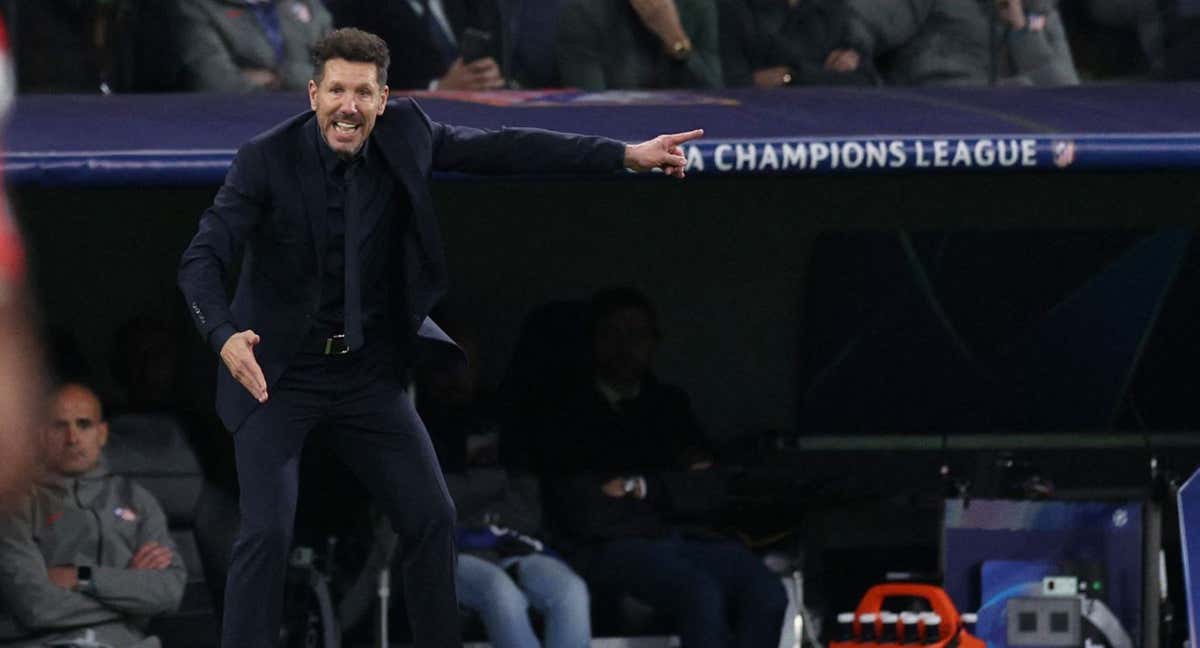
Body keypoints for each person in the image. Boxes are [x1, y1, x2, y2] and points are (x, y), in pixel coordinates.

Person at [176, 27, 701, 648]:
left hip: (365, 373)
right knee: (265, 531)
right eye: (337, 90)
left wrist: (624, 154)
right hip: (276, 373)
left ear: (383, 97)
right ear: (314, 94)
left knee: (433, 517)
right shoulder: (265, 159)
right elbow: (202, 258)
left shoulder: (408, 134)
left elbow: (510, 148)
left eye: (364, 93)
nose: (350, 105)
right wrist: (225, 335)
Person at [541, 288, 787, 648]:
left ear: (654, 342)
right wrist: (672, 490)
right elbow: (582, 507)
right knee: (700, 593)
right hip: (609, 547)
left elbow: (711, 489)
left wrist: (639, 487)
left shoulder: (668, 405)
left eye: (637, 335)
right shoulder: (566, 410)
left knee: (768, 593)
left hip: (683, 538)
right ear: (593, 340)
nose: (625, 346)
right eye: (612, 334)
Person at [419, 318, 590, 648]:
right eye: (442, 363)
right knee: (501, 592)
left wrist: (476, 503)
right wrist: (488, 488)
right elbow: (426, 506)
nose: (454, 374)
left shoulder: (498, 417)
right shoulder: (409, 416)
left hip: (508, 545)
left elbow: (527, 503)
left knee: (570, 592)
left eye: (463, 362)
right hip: (444, 554)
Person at [0, 384, 186, 648]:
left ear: (102, 433)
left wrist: (82, 577)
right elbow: (35, 606)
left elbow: (169, 592)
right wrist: (133, 600)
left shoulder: (135, 499)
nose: (72, 437)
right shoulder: (15, 504)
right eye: (59, 426)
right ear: (40, 435)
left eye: (83, 424)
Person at [840, 0, 1079, 85]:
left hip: (1017, 142)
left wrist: (1021, 30)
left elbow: (1064, 94)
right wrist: (852, 48)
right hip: (944, 126)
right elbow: (862, 21)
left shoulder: (1040, 8)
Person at [327, 0, 508, 90]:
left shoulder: (469, 5)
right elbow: (358, 77)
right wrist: (437, 88)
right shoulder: (354, 6)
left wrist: (487, 74)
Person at [556, 0, 724, 90]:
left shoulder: (697, 6)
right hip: (619, 138)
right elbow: (589, 106)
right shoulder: (583, 13)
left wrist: (675, 39)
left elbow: (716, 95)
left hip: (685, 131)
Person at [172, 0, 333, 92]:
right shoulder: (198, 8)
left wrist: (279, 78)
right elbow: (217, 82)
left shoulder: (307, 6)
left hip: (311, 120)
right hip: (236, 121)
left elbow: (341, 75)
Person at [717, 0, 876, 87]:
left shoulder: (832, 8)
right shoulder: (735, 8)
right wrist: (823, 74)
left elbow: (864, 79)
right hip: (758, 121)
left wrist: (792, 76)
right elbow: (733, 83)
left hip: (828, 117)